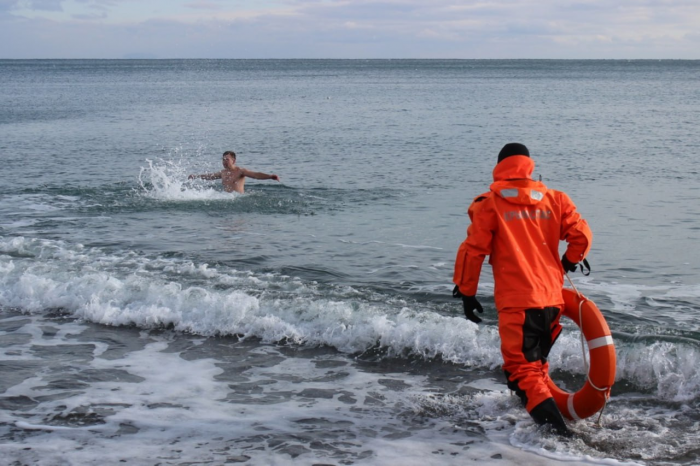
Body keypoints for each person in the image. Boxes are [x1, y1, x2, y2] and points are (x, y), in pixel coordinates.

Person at [452, 143, 592, 436]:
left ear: (500, 165)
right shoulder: (556, 200)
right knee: (537, 365)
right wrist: (566, 263)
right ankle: (536, 422)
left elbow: (473, 250)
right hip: (552, 300)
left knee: (522, 371)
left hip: (518, 303)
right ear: (529, 165)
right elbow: (581, 236)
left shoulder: (488, 203)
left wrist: (467, 292)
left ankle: (560, 439)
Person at [188, 151, 280, 193]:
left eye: (227, 159)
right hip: (226, 198)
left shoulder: (241, 171)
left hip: (238, 198)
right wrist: (195, 176)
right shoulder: (222, 172)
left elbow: (255, 175)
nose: (224, 162)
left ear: (233, 161)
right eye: (223, 160)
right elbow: (210, 176)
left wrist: (270, 176)